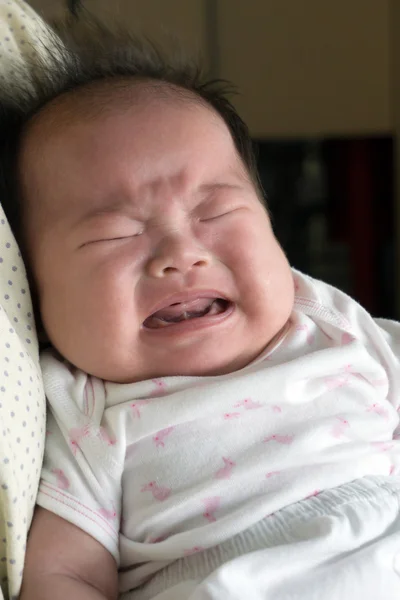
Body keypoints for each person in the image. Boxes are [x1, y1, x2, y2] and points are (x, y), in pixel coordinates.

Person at [1, 20, 400, 600]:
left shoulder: (331, 325)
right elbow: (64, 574)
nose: (180, 255)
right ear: (36, 292)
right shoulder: (88, 416)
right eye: (114, 235)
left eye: (214, 214)